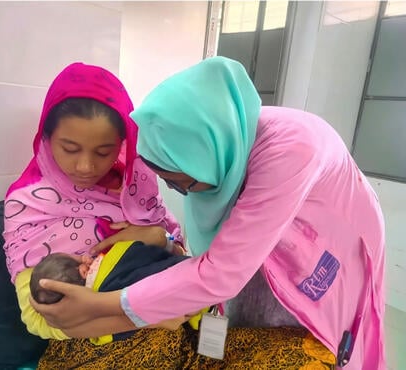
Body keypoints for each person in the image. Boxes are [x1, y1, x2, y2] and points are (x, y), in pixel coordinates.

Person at [30, 56, 386, 370]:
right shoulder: (222, 148)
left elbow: (219, 273)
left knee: (307, 332)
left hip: (325, 240)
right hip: (220, 279)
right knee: (240, 321)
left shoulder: (293, 149)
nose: (181, 194)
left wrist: (100, 305)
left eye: (183, 183)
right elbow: (208, 266)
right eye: (169, 183)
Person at [3, 62, 187, 341]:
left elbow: (183, 267)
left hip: (175, 325)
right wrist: (147, 319)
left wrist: (160, 238)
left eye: (103, 151)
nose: (86, 166)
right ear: (47, 139)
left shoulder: (135, 191)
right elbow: (38, 317)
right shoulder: (30, 204)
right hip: (89, 346)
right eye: (70, 149)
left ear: (124, 145)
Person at [30, 241, 205, 345]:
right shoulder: (115, 249)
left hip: (188, 304)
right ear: (83, 270)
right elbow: (146, 249)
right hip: (190, 270)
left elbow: (111, 334)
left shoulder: (96, 309)